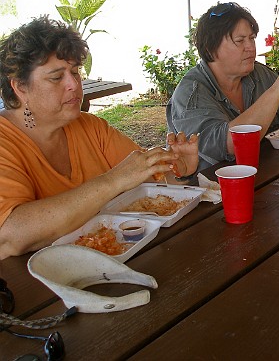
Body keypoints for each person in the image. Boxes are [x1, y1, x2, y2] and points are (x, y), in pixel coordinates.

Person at [0, 16, 200, 259]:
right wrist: (112, 181)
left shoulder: (90, 126)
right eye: (56, 77)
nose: (74, 84)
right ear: (20, 87)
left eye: (75, 72)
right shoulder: (5, 141)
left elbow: (150, 183)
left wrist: (181, 171)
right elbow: (12, 233)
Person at [166, 2, 279, 172]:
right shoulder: (191, 94)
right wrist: (276, 90)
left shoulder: (259, 74)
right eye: (240, 41)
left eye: (252, 38)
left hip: (269, 175)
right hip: (215, 193)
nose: (250, 47)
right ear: (210, 48)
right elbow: (228, 144)